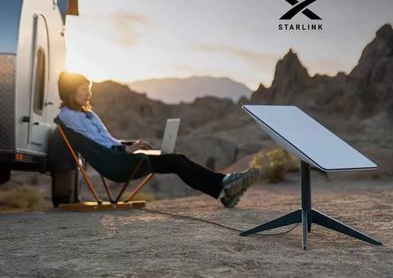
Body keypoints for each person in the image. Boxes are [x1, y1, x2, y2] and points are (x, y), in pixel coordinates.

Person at [56, 72, 259, 208]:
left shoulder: (89, 114)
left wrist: (129, 144)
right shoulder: (68, 115)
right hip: (116, 164)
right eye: (83, 88)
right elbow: (94, 144)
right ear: (70, 90)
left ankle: (224, 190)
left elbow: (107, 138)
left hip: (119, 156)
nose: (89, 92)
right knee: (175, 161)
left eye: (88, 88)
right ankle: (224, 186)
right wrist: (124, 151)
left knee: (177, 158)